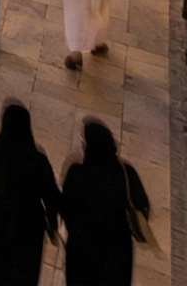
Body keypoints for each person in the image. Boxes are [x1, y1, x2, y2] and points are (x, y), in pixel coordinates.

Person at [0, 103, 61, 286]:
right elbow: (51, 197)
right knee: (26, 271)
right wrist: (52, 224)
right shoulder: (37, 160)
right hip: (29, 227)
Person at [56, 121, 148, 286]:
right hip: (117, 251)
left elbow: (66, 208)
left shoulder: (77, 173)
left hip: (82, 250)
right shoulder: (126, 172)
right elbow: (142, 207)